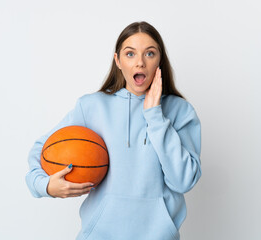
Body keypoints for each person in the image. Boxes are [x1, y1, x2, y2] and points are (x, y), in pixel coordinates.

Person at [26, 21, 202, 240]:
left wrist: (155, 115)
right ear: (118, 60)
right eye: (130, 54)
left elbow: (183, 181)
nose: (139, 62)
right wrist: (44, 185)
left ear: (160, 61)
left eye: (149, 53)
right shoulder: (91, 107)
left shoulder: (180, 111)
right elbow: (40, 149)